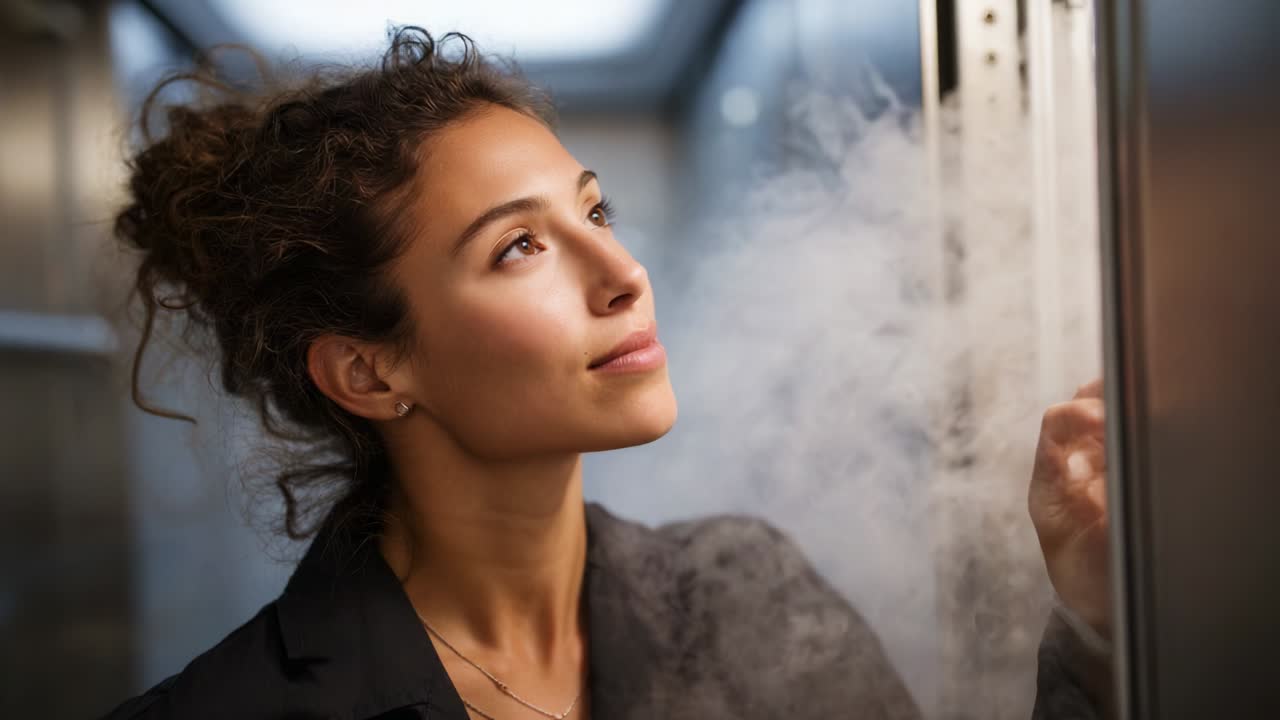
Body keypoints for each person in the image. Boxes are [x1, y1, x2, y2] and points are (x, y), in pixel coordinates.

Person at [100, 27, 1112, 720]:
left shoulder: (746, 593)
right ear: (367, 373)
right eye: (517, 249)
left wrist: (1096, 627)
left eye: (592, 213)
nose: (623, 274)